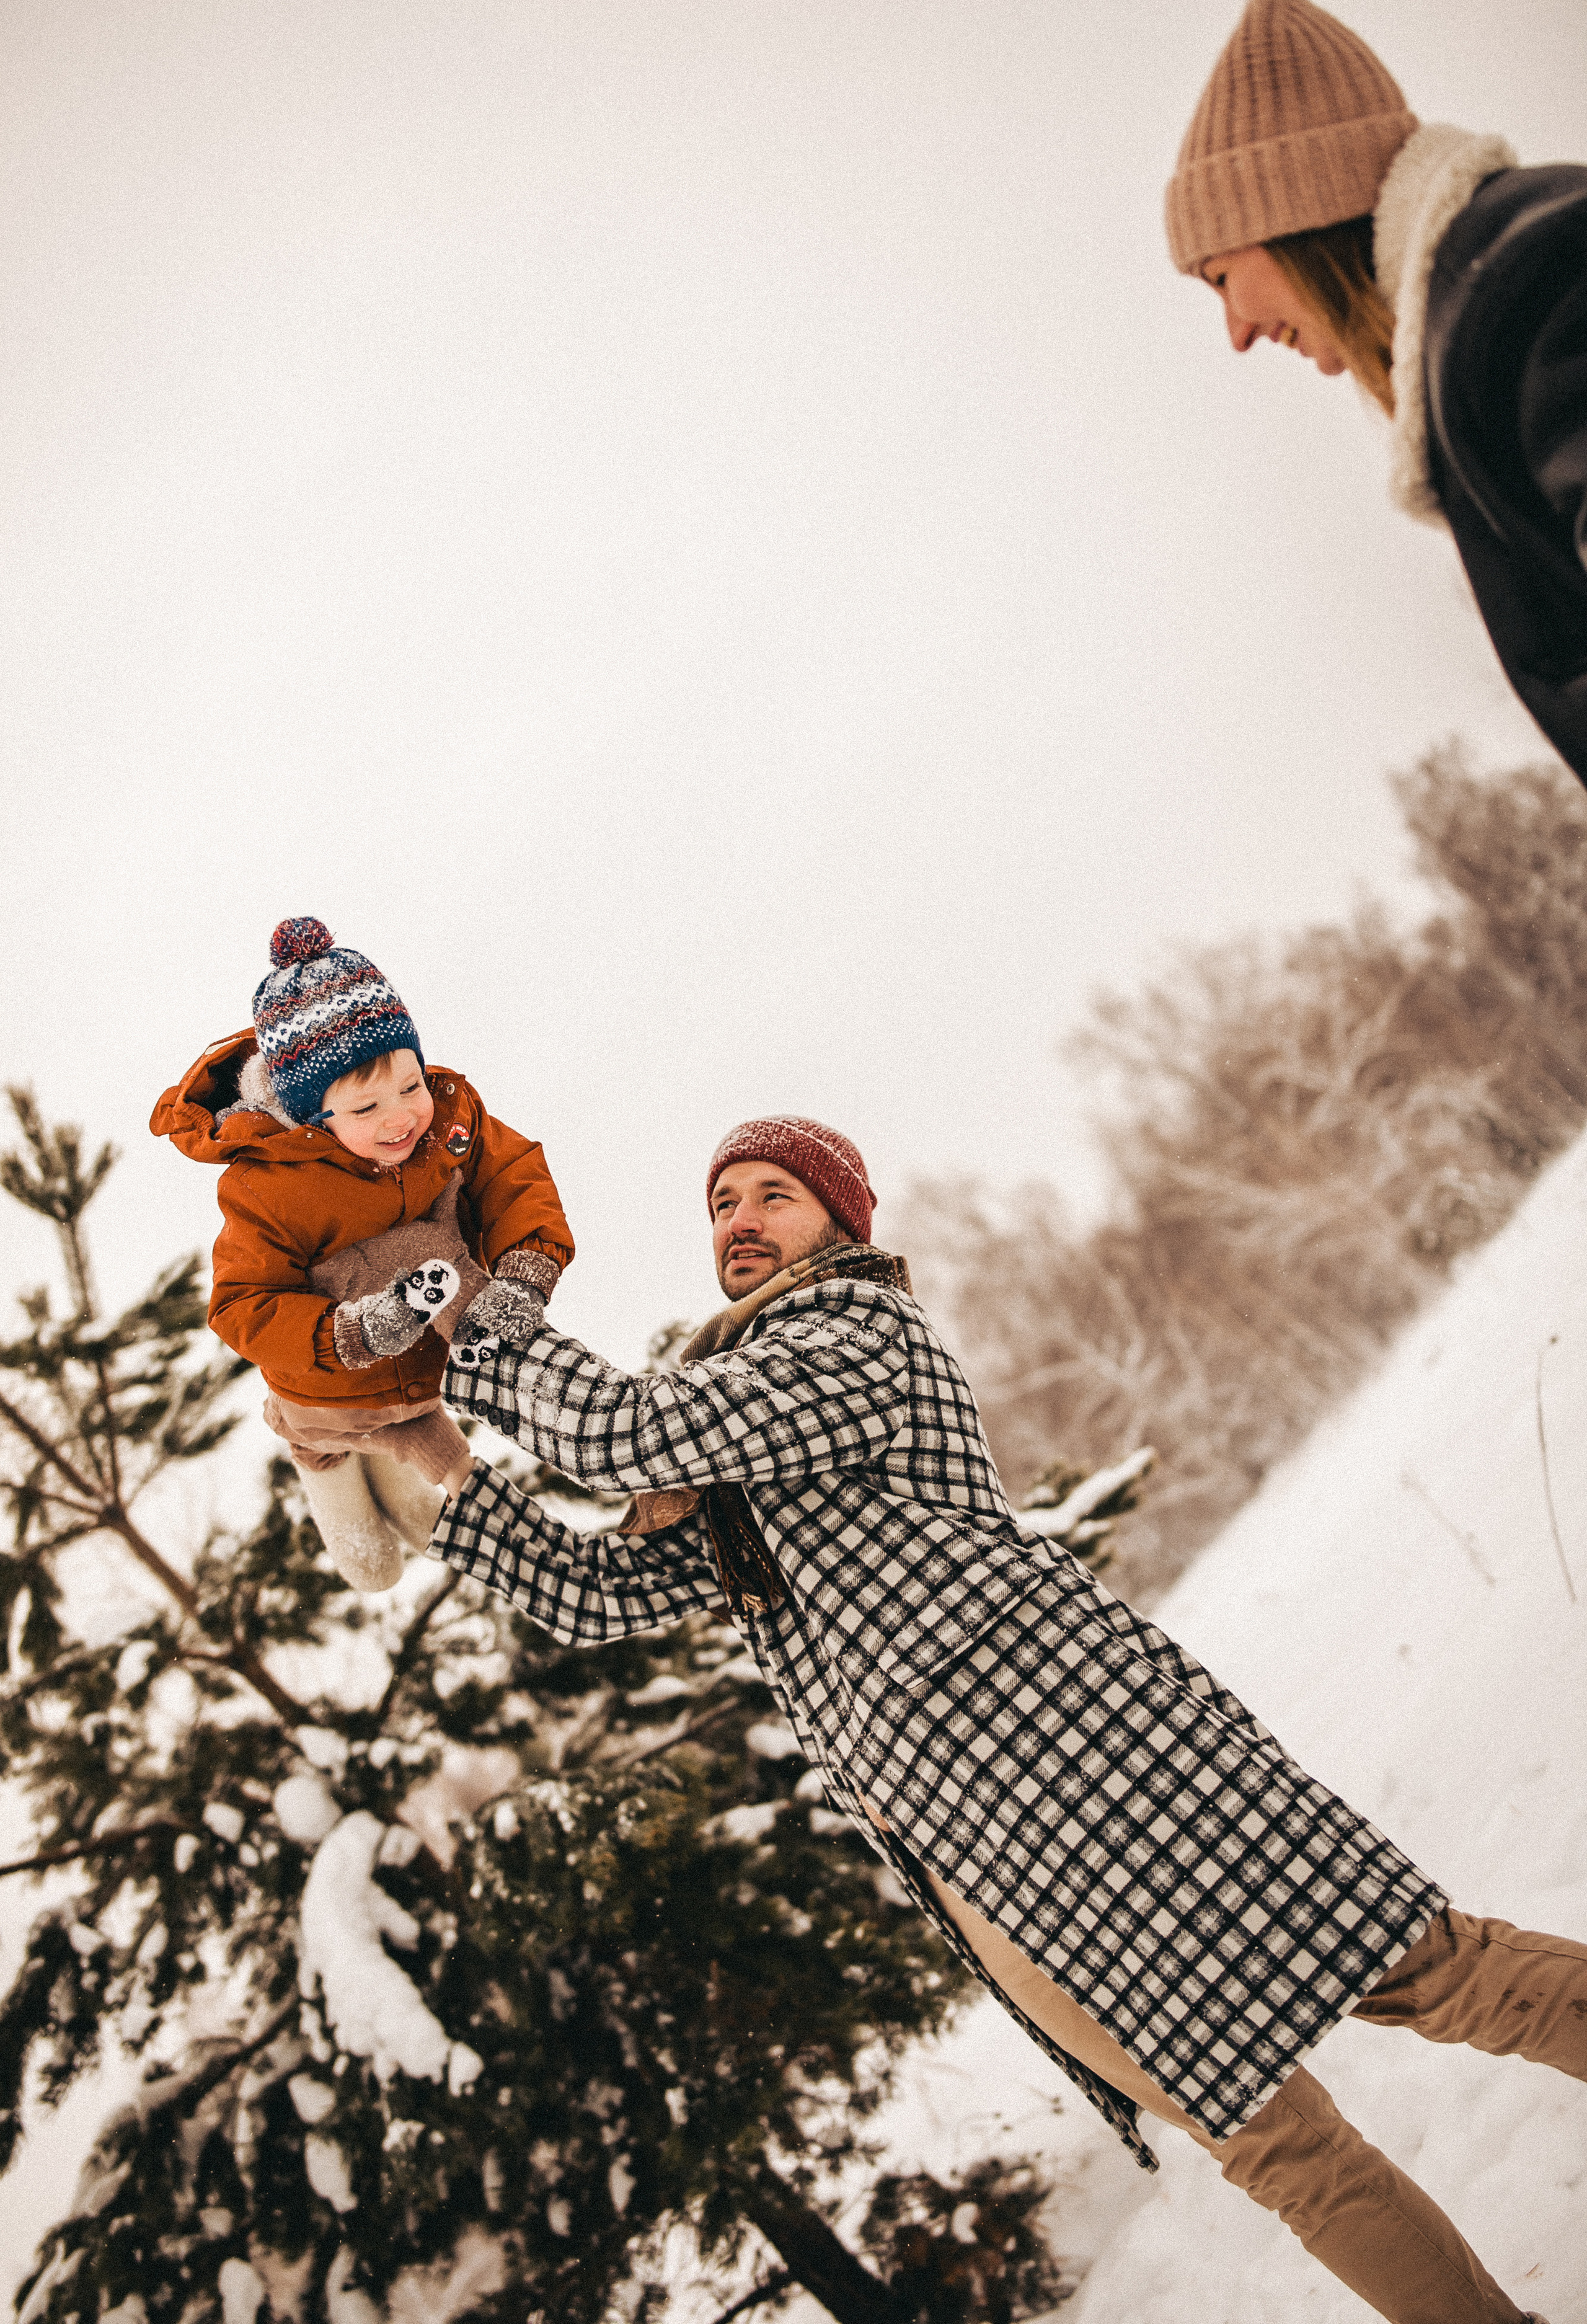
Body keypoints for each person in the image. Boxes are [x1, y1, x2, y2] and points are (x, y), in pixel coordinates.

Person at [418, 1109, 1580, 2323]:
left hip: (1109, 1759)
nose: (740, 1221)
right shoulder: (740, 1449)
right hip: (985, 1858)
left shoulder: (849, 1332)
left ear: (838, 1220)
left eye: (771, 1195)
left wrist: (479, 1316)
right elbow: (597, 1594)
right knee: (1271, 2146)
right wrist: (439, 1467)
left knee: (1435, 1974)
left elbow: (624, 1432)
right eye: (721, 1205)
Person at [1165, 0, 1587, 779]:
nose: (1237, 334)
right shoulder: (1482, 314)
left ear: (1293, 215)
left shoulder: (1532, 283)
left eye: (1221, 277)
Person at [151, 916, 572, 1592]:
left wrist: (526, 1269)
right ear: (312, 1117)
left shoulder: (450, 1117)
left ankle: (414, 1481)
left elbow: (513, 1176)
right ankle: (327, 1475)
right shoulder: (270, 1187)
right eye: (366, 1107)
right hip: (325, 1398)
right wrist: (348, 1334)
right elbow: (242, 1305)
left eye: (409, 1086)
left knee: (421, 1471)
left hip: (422, 1380)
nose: (401, 1117)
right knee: (367, 1556)